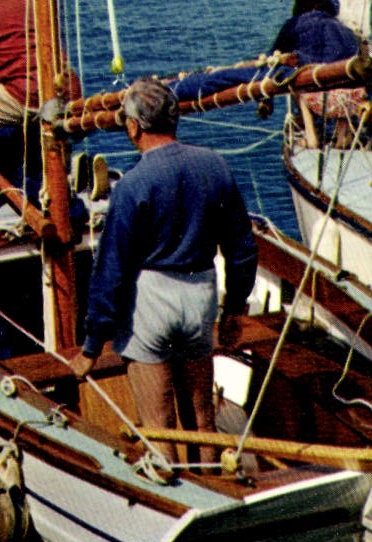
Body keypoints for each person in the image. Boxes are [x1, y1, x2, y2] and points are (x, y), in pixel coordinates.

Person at [69, 77, 257, 461]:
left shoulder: (133, 186)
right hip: (200, 297)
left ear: (134, 126)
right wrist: (236, 308)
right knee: (203, 417)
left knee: (159, 423)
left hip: (152, 305)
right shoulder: (215, 167)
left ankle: (174, 495)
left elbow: (112, 274)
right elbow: (241, 248)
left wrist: (91, 346)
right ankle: (212, 486)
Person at [271, 0, 365, 147]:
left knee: (298, 78)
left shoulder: (296, 24)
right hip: (354, 100)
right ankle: (343, 136)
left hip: (320, 103)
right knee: (344, 74)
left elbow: (274, 58)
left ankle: (311, 137)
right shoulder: (346, 29)